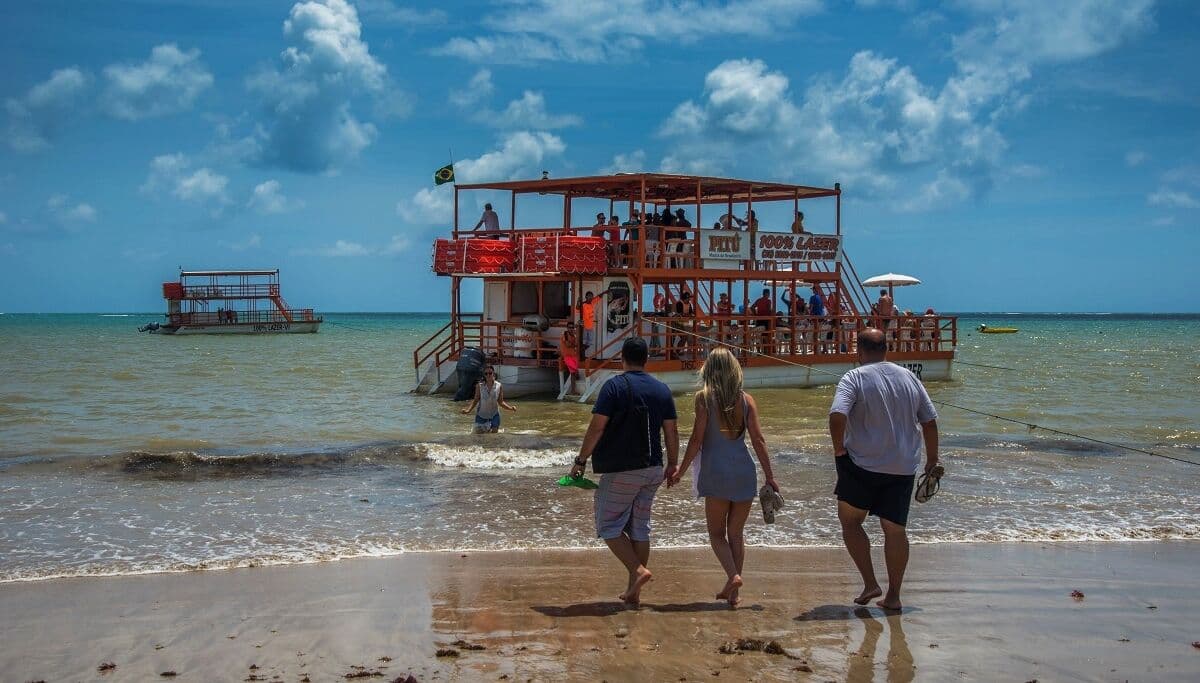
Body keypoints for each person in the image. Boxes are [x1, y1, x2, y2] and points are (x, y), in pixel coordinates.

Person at [828, 328, 939, 611]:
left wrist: (839, 449)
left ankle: (870, 582)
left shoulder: (853, 377)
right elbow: (929, 421)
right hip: (902, 466)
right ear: (886, 349)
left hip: (862, 464)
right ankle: (894, 596)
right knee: (895, 530)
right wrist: (931, 460)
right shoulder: (909, 377)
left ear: (859, 351)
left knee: (850, 522)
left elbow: (837, 414)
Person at [569, 337, 679, 606]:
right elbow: (671, 430)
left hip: (622, 470)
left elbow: (597, 427)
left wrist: (581, 460)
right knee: (640, 528)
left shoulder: (614, 386)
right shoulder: (662, 390)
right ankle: (634, 592)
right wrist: (673, 464)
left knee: (608, 526)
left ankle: (638, 571)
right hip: (653, 468)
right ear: (646, 360)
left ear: (622, 359)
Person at [669, 347, 778, 607]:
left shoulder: (704, 398)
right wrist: (770, 476)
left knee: (716, 534)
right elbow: (759, 440)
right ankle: (734, 593)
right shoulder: (747, 400)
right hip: (743, 471)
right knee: (736, 535)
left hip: (716, 473)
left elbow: (696, 439)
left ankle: (734, 576)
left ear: (709, 370)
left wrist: (680, 472)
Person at [461, 365, 516, 433]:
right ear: (484, 375)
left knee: (493, 436)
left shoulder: (499, 386)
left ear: (493, 373)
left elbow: (501, 402)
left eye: (490, 373)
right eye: (486, 373)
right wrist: (468, 410)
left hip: (494, 415)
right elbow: (475, 400)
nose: (488, 375)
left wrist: (510, 408)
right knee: (478, 436)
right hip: (481, 415)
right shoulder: (479, 386)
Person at [559, 327, 580, 395]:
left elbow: (575, 344)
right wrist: (573, 344)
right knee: (573, 373)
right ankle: (573, 391)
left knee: (575, 373)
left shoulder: (574, 335)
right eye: (570, 328)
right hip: (567, 357)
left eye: (572, 327)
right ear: (567, 328)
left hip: (574, 356)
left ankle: (573, 390)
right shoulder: (565, 335)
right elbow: (568, 345)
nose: (571, 329)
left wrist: (573, 344)